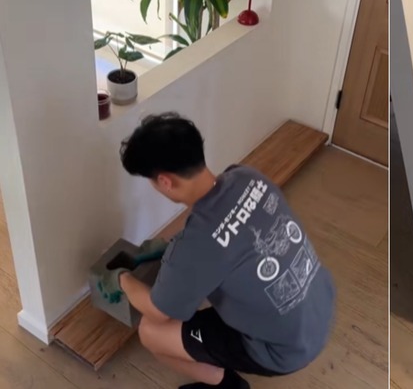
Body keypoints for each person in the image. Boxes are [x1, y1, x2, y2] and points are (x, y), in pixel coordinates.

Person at [97, 112, 336, 389]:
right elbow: (228, 234)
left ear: (165, 181)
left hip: (283, 349)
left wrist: (122, 280)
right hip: (318, 305)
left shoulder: (195, 247)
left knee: (151, 332)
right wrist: (172, 249)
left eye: (150, 181)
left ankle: (229, 386)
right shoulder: (246, 176)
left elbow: (158, 311)